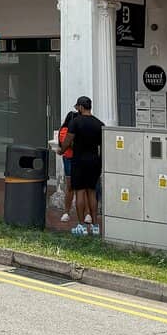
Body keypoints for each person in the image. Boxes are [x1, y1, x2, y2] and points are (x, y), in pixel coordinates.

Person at [63, 96, 104, 236]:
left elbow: (68, 141)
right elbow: (102, 145)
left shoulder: (75, 122)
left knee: (80, 192)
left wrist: (61, 150)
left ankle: (81, 226)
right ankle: (95, 226)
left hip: (79, 160)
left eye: (77, 107)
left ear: (81, 107)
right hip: (94, 161)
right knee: (92, 192)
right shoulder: (99, 123)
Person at [57, 110, 77, 223]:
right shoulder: (65, 130)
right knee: (70, 187)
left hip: (73, 158)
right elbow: (67, 144)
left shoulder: (65, 129)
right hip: (70, 158)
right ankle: (66, 211)